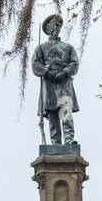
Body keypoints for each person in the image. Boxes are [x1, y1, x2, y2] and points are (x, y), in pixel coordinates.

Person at [32, 13, 79, 146]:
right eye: (53, 26)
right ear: (47, 29)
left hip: (64, 84)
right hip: (49, 84)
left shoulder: (68, 47)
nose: (55, 29)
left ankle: (69, 140)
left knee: (66, 113)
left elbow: (75, 63)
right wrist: (48, 73)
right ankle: (56, 143)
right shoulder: (41, 48)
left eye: (58, 26)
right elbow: (35, 64)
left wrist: (65, 72)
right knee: (52, 115)